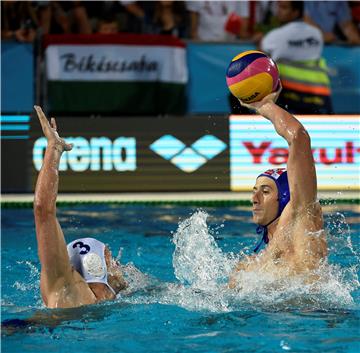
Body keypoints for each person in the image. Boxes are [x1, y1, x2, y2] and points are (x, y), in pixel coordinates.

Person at [229, 87, 327, 288]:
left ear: (285, 198)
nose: (254, 199)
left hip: (315, 315)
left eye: (265, 191)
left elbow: (298, 136)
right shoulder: (251, 266)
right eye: (254, 191)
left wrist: (265, 106)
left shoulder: (303, 223)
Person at [33, 106, 127, 308]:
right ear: (96, 268)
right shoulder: (70, 294)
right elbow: (43, 210)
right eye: (110, 261)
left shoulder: (97, 299)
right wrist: (54, 148)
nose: (117, 267)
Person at [260, 1, 333, 114]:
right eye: (279, 7)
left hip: (289, 97)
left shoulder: (273, 37)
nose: (278, 11)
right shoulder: (316, 33)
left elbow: (260, 60)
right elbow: (329, 37)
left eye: (284, 8)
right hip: (319, 96)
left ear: (295, 12)